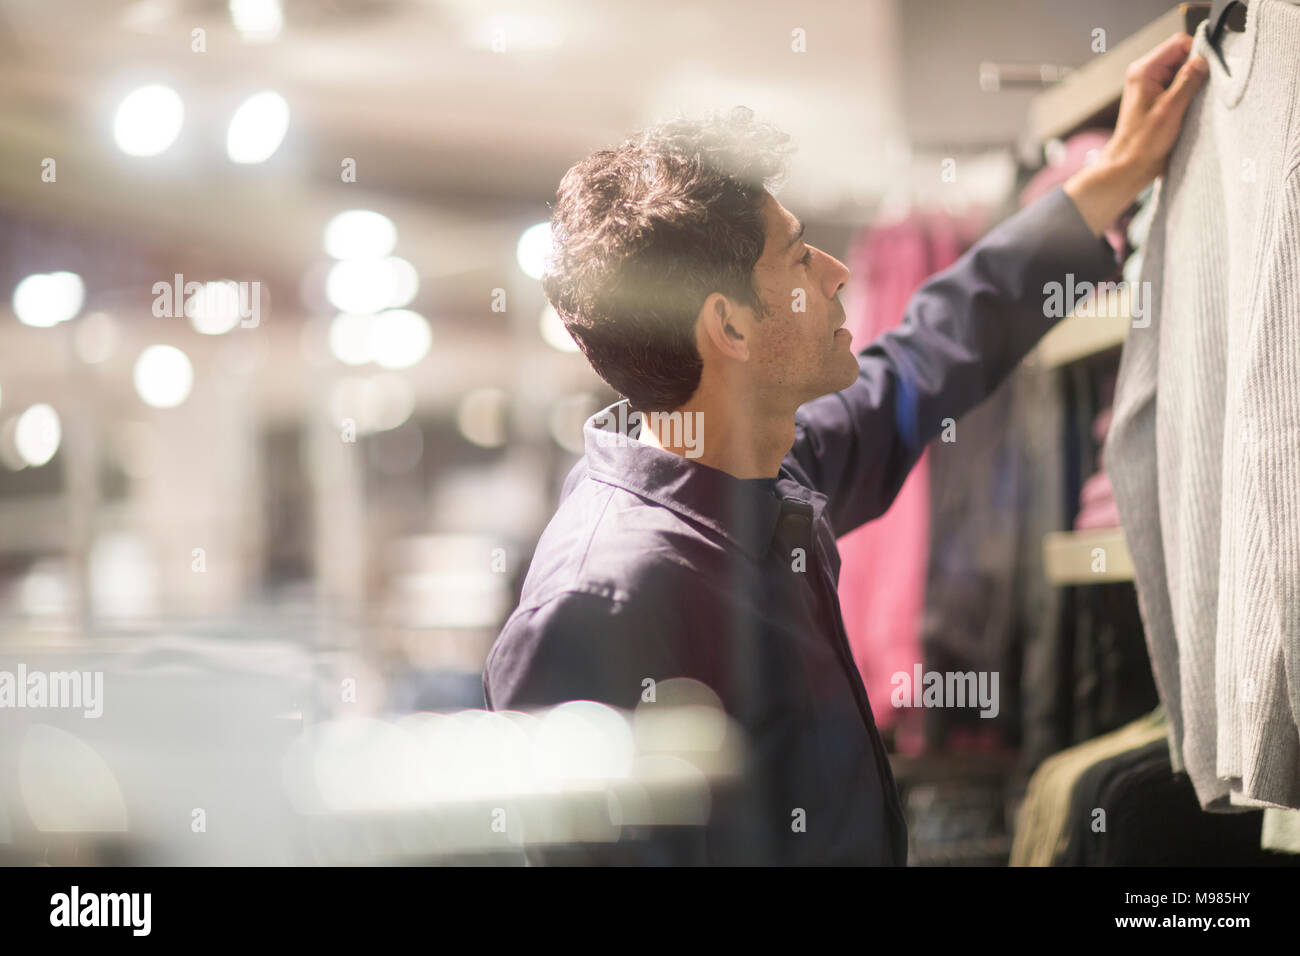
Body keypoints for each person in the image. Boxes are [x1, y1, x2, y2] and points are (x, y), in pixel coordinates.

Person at [483, 34, 1208, 864]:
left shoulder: (756, 464)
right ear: (728, 326)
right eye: (797, 255)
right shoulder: (600, 600)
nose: (833, 270)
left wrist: (1111, 180)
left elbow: (927, 360)